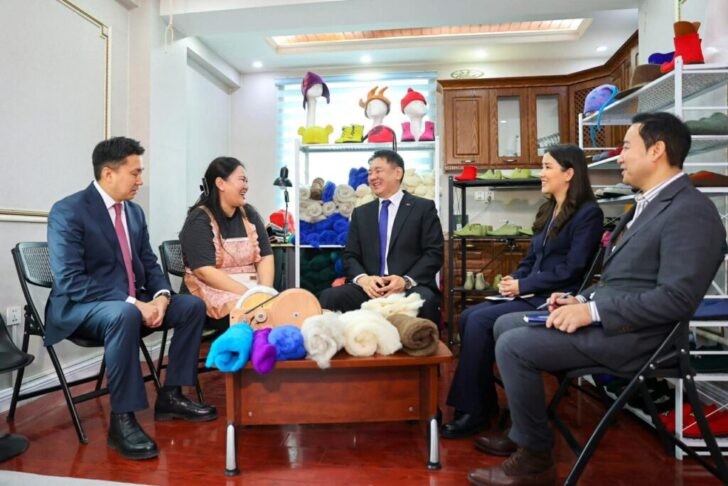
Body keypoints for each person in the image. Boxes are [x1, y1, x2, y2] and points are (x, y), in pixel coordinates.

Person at [469, 112, 726, 486]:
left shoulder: (690, 211)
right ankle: (524, 432)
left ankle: (535, 460)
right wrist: (577, 299)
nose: (619, 156)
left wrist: (593, 311)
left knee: (514, 345)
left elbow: (676, 300)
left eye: (626, 146)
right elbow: (619, 281)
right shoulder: (648, 204)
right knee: (505, 323)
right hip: (619, 323)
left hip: (642, 338)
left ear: (656, 150)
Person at [46, 137, 217, 461]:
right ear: (108, 174)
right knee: (124, 314)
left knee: (191, 306)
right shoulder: (68, 211)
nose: (140, 180)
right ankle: (121, 420)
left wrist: (162, 297)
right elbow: (71, 281)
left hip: (130, 303)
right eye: (135, 173)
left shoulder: (134, 213)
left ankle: (171, 396)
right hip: (82, 307)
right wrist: (134, 304)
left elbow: (149, 264)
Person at [442, 144, 604, 440]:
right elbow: (531, 260)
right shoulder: (548, 210)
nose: (541, 173)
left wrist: (524, 286)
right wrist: (513, 279)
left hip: (556, 299)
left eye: (547, 167)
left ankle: (475, 412)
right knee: (467, 316)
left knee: (478, 321)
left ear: (569, 173)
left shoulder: (588, 214)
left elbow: (573, 269)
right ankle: (483, 403)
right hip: (533, 293)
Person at [318, 149, 444, 323]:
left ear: (397, 173)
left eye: (378, 171)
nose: (372, 177)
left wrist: (405, 281)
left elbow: (434, 253)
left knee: (426, 301)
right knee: (330, 297)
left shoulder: (422, 208)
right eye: (370, 173)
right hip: (370, 288)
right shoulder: (361, 213)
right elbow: (349, 256)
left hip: (410, 287)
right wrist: (363, 280)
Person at [180, 157, 274, 321]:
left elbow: (266, 255)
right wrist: (249, 295)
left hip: (250, 289)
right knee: (252, 315)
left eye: (246, 181)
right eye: (242, 180)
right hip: (212, 292)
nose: (246, 186)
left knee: (279, 309)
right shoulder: (199, 220)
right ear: (221, 183)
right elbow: (204, 271)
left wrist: (264, 292)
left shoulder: (249, 214)